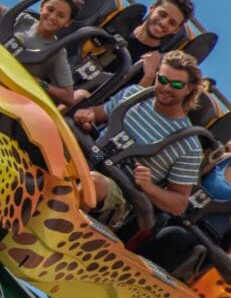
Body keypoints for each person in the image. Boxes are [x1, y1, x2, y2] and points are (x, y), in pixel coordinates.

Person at [73, 50, 204, 223]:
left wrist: (149, 187)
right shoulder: (133, 95)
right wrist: (86, 115)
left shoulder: (189, 145)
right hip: (88, 157)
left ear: (189, 89)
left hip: (119, 190)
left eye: (176, 85)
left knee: (93, 182)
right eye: (162, 80)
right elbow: (96, 114)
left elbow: (179, 204)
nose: (166, 88)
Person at [136, 129, 231, 273]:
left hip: (200, 235)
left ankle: (136, 268)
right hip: (178, 212)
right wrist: (219, 150)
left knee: (173, 234)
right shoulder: (226, 158)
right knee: (147, 211)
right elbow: (190, 178)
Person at [0, 0, 84, 106]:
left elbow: (68, 97)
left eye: (60, 16)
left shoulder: (56, 52)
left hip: (6, 92)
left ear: (68, 22)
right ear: (41, 6)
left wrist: (39, 83)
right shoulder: (23, 20)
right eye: (50, 9)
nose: (52, 17)